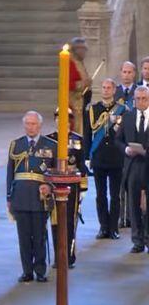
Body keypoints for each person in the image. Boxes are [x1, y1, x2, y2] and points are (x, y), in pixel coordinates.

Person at [7, 111, 56, 282]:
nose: (30, 127)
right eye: (27, 123)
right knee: (24, 237)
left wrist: (49, 187)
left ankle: (40, 270)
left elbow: (55, 173)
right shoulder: (16, 145)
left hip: (39, 197)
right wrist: (9, 197)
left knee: (39, 236)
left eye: (33, 124)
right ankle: (27, 270)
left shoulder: (50, 145)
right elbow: (9, 174)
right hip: (20, 196)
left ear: (40, 125)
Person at [84, 78, 126, 240]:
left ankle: (114, 228)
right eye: (104, 87)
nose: (106, 90)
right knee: (100, 195)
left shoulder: (122, 109)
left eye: (109, 87)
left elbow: (124, 135)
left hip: (116, 157)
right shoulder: (93, 109)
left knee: (115, 195)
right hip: (99, 156)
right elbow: (88, 135)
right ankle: (103, 227)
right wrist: (87, 156)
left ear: (114, 90)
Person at [46, 109, 88, 269]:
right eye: (59, 118)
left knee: (70, 222)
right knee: (56, 222)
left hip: (73, 186)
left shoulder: (78, 140)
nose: (62, 121)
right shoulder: (49, 140)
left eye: (66, 118)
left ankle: (69, 255)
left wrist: (83, 189)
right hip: (54, 185)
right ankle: (58, 255)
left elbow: (82, 164)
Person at [115, 86, 149, 253]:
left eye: (144, 99)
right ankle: (137, 241)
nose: (141, 102)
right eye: (138, 99)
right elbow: (118, 140)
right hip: (133, 165)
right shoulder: (127, 117)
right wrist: (126, 150)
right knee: (134, 204)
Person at [68, 37, 91, 135]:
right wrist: (84, 83)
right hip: (74, 100)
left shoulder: (79, 61)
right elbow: (69, 83)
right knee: (76, 125)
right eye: (80, 49)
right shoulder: (70, 62)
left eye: (84, 49)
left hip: (82, 98)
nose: (83, 52)